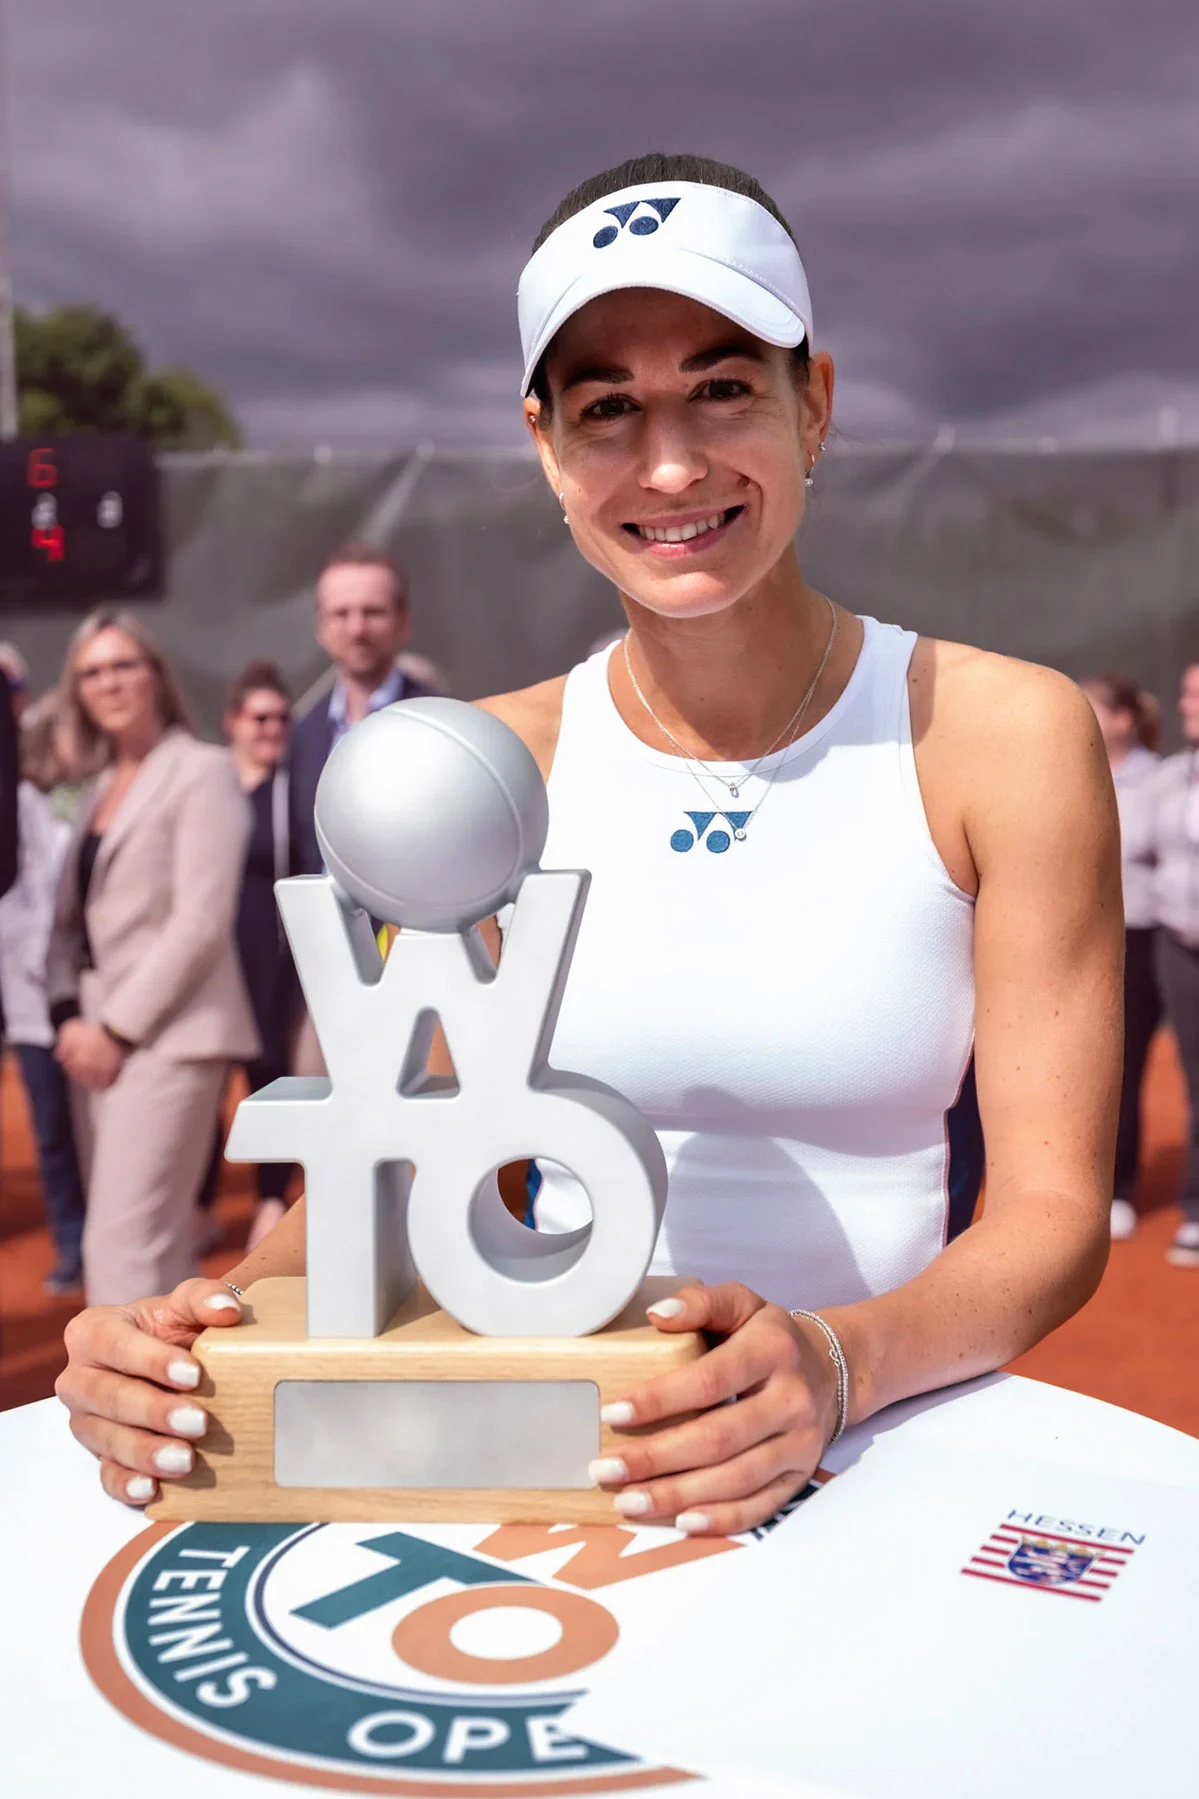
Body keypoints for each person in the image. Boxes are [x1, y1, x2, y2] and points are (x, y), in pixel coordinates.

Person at [56, 153, 1121, 1534]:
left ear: (816, 400)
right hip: (554, 1461)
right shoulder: (480, 769)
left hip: (877, 1447)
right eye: (605, 408)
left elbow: (1048, 1213)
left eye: (720, 385)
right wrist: (190, 1341)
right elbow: (390, 1165)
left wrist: (839, 1362)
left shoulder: (1002, 731)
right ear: (545, 448)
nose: (668, 463)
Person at [45, 609, 259, 1305]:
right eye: (91, 672)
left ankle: (127, 1404)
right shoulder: (101, 789)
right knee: (151, 1245)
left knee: (122, 1246)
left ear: (156, 676)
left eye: (122, 665)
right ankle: (174, 1402)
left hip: (169, 1038)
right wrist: (76, 1021)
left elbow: (201, 920)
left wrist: (116, 1030)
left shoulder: (201, 771)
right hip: (102, 1043)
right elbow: (76, 925)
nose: (107, 682)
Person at [196, 661, 300, 1251]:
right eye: (260, 717)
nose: (272, 728)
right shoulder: (209, 788)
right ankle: (198, 1203)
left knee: (268, 1075)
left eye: (282, 718)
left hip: (270, 954)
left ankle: (267, 1197)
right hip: (212, 955)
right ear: (233, 721)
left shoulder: (293, 787)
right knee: (206, 1079)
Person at [0, 678, 87, 1292]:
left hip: (88, 1000)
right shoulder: (19, 802)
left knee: (96, 1130)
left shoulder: (95, 801)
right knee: (53, 1131)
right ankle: (71, 1244)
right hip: (32, 1004)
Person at [288, 543, 434, 877]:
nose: (357, 630)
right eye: (341, 614)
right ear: (320, 628)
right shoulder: (301, 736)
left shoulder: (436, 725)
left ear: (404, 622)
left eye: (373, 612)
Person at [1080, 674, 1162, 1242]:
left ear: (1122, 720)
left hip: (1141, 939)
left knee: (1123, 1065)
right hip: (1076, 938)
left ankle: (1120, 1187)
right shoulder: (1066, 771)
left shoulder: (1162, 781)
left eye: (1091, 708)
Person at [1124, 661, 1199, 1267]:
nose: (1185, 704)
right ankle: (1195, 1209)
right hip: (1179, 944)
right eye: (1185, 693)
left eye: (1197, 694)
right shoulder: (1172, 777)